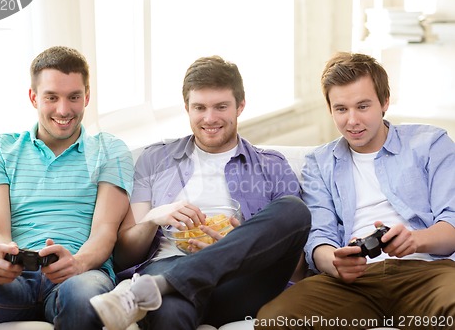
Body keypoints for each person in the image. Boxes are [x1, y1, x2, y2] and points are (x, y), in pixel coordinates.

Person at [90, 55, 311, 330]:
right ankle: (160, 287)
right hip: (168, 269)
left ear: (240, 106)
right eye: (200, 107)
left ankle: (157, 286)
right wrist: (153, 218)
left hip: (243, 280)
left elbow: (298, 260)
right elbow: (125, 256)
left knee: (294, 209)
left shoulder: (272, 165)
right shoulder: (155, 160)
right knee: (166, 310)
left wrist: (242, 242)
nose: (210, 118)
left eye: (221, 107)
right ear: (187, 108)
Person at [255, 52, 455, 330]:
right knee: (275, 320)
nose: (352, 121)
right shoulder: (319, 163)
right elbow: (319, 236)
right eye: (341, 109)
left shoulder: (431, 143)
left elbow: (452, 223)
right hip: (353, 283)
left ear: (385, 102)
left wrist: (415, 240)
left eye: (363, 106)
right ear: (329, 109)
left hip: (428, 273)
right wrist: (334, 262)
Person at [0, 46, 138, 329]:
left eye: (74, 97)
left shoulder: (110, 150)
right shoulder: (1, 148)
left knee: (84, 299)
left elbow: (105, 232)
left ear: (86, 96)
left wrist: (77, 263)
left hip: (81, 273)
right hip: (15, 279)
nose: (63, 110)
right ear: (33, 97)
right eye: (51, 97)